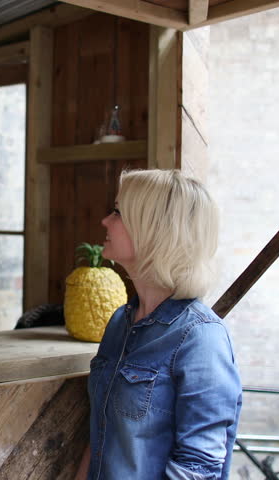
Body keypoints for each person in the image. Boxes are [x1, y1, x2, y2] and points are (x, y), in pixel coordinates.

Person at [75, 169, 242, 480]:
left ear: (153, 229)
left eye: (118, 212)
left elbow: (198, 468)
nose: (105, 221)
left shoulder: (201, 337)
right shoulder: (120, 321)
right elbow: (100, 435)